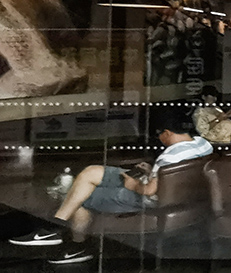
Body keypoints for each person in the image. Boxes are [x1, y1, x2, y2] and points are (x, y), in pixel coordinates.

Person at [9, 111, 213, 264]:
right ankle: (61, 233)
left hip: (143, 196)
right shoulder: (203, 144)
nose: (160, 139)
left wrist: (132, 183)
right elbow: (171, 176)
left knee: (79, 196)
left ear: (167, 133)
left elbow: (150, 191)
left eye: (160, 135)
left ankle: (64, 236)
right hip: (166, 188)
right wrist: (152, 171)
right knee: (90, 172)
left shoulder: (169, 156)